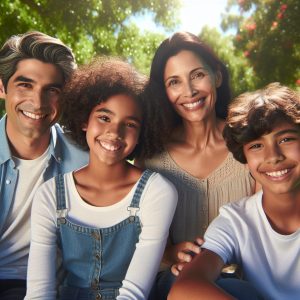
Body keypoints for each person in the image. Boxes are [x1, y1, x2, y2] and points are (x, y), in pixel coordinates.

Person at [25, 57, 178, 300]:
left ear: (141, 134)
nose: (114, 132)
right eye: (104, 118)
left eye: (129, 124)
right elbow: (39, 293)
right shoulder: (50, 194)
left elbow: (134, 293)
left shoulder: (157, 192)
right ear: (85, 121)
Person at [138, 31, 255, 298]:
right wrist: (170, 253)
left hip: (243, 282)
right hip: (173, 284)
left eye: (197, 75)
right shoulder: (152, 156)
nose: (189, 91)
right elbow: (140, 242)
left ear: (217, 76)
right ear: (164, 91)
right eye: (174, 82)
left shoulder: (249, 145)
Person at [168, 82, 300, 300]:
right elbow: (183, 289)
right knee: (231, 287)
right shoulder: (236, 220)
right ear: (244, 158)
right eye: (256, 146)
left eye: (286, 139)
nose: (273, 156)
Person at [0, 31, 88, 299]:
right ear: (2, 88)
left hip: (46, 287)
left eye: (52, 90)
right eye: (25, 85)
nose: (37, 103)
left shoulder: (86, 159)